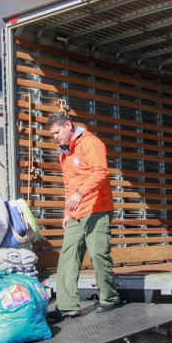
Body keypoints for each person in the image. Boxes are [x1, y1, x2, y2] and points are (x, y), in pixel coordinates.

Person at [46, 111, 120, 316]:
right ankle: (67, 305)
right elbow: (69, 185)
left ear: (68, 125)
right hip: (76, 212)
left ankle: (110, 297)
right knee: (68, 257)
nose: (56, 137)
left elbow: (101, 172)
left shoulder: (90, 143)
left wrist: (80, 193)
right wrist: (67, 212)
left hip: (97, 208)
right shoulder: (64, 152)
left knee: (98, 254)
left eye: (58, 132)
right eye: (52, 135)